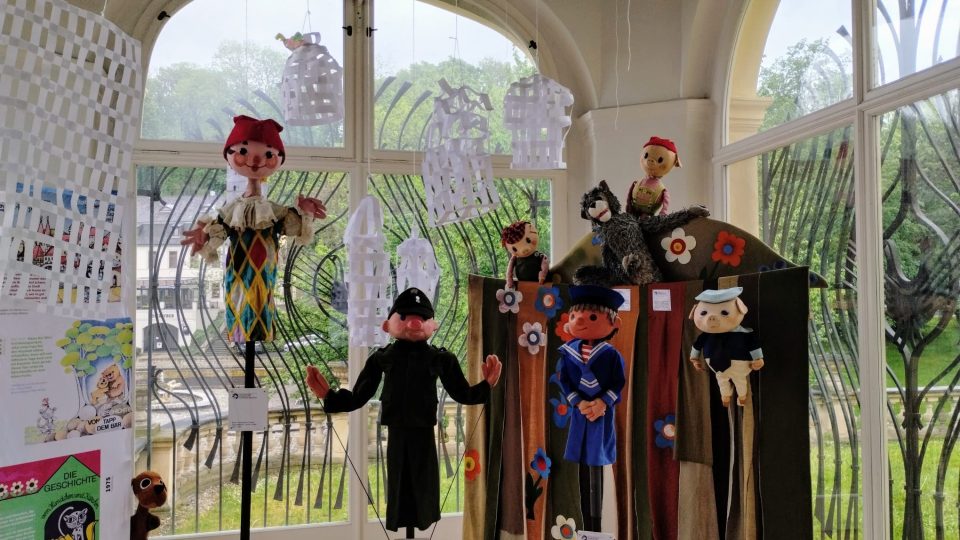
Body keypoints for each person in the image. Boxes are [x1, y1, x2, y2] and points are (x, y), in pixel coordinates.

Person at [305, 287, 502, 533]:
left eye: (422, 317)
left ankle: (423, 519)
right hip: (396, 427)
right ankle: (400, 521)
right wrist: (329, 396)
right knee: (398, 479)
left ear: (433, 326)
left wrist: (486, 385)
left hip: (423, 427)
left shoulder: (440, 358)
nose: (414, 323)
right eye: (405, 316)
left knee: (424, 480)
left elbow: (462, 393)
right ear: (387, 325)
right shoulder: (382, 357)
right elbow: (359, 396)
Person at [180, 115, 326, 343]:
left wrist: (304, 212)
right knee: (239, 295)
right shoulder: (232, 210)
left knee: (261, 296)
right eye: (243, 151)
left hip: (265, 268)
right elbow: (219, 230)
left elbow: (295, 228)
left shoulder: (274, 211)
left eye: (268, 154)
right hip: (238, 266)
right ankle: (241, 330)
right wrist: (204, 235)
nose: (256, 160)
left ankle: (258, 329)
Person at [555, 284, 626, 532]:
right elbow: (565, 380)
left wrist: (603, 402)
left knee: (597, 458)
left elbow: (618, 382)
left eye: (592, 317)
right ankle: (586, 523)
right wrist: (578, 401)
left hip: (601, 413)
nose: (580, 321)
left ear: (613, 323)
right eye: (575, 316)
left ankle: (596, 525)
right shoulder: (568, 353)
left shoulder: (611, 355)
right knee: (581, 462)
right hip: (580, 412)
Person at [625, 136, 682, 218]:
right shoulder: (637, 183)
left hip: (648, 216)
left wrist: (663, 213)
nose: (650, 161)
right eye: (646, 156)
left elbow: (666, 202)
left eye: (660, 160)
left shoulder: (661, 190)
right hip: (633, 211)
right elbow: (630, 195)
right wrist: (628, 206)